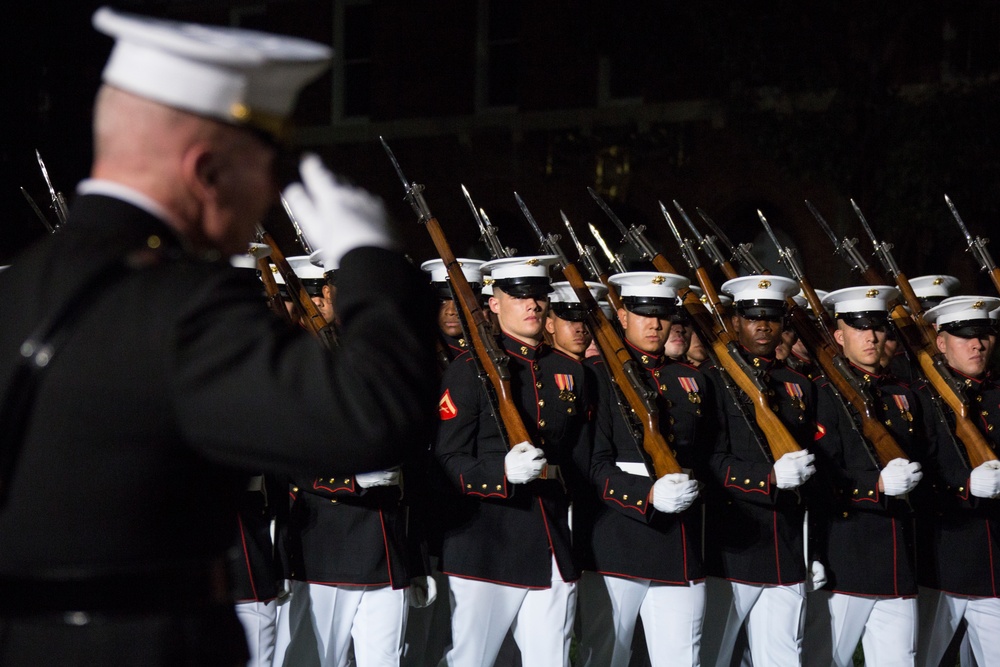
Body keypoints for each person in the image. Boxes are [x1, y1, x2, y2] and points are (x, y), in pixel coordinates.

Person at [0, 8, 437, 665]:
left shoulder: (19, 288)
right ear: (205, 171)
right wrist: (371, 261)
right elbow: (374, 416)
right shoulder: (187, 305)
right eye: (266, 166)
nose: (270, 195)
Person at [433, 255, 592, 667]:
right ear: (493, 303)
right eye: (519, 295)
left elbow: (582, 457)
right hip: (487, 542)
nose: (532, 304)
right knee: (472, 660)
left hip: (553, 539)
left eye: (538, 295)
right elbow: (448, 456)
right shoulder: (468, 370)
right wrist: (498, 475)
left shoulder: (569, 372)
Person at [575, 271, 711, 667]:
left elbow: (704, 455)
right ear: (622, 315)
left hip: (679, 542)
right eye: (643, 313)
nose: (654, 323)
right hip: (617, 539)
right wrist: (645, 493)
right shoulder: (597, 377)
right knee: (605, 656)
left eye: (663, 314)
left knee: (683, 658)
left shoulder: (690, 380)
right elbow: (593, 465)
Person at [699, 275, 825, 667]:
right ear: (735, 321)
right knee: (711, 657)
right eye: (753, 317)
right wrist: (766, 479)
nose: (763, 325)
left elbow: (817, 469)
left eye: (771, 317)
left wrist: (814, 548)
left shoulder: (797, 385)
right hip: (730, 546)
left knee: (783, 658)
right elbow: (708, 460)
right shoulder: (710, 379)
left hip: (785, 547)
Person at [803, 286, 929, 667]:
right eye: (859, 328)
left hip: (899, 563)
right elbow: (821, 476)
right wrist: (875, 486)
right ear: (839, 336)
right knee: (826, 659)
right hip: (846, 556)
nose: (871, 336)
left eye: (877, 327)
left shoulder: (903, 394)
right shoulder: (822, 395)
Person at [916, 296, 1000, 667]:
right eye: (965, 336)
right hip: (940, 560)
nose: (977, 344)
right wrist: (964, 487)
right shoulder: (917, 399)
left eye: (984, 336)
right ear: (941, 342)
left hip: (994, 566)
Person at [545, 280, 606, 360]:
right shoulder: (541, 370)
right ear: (550, 325)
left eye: (586, 321)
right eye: (571, 321)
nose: (581, 329)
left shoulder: (602, 370)